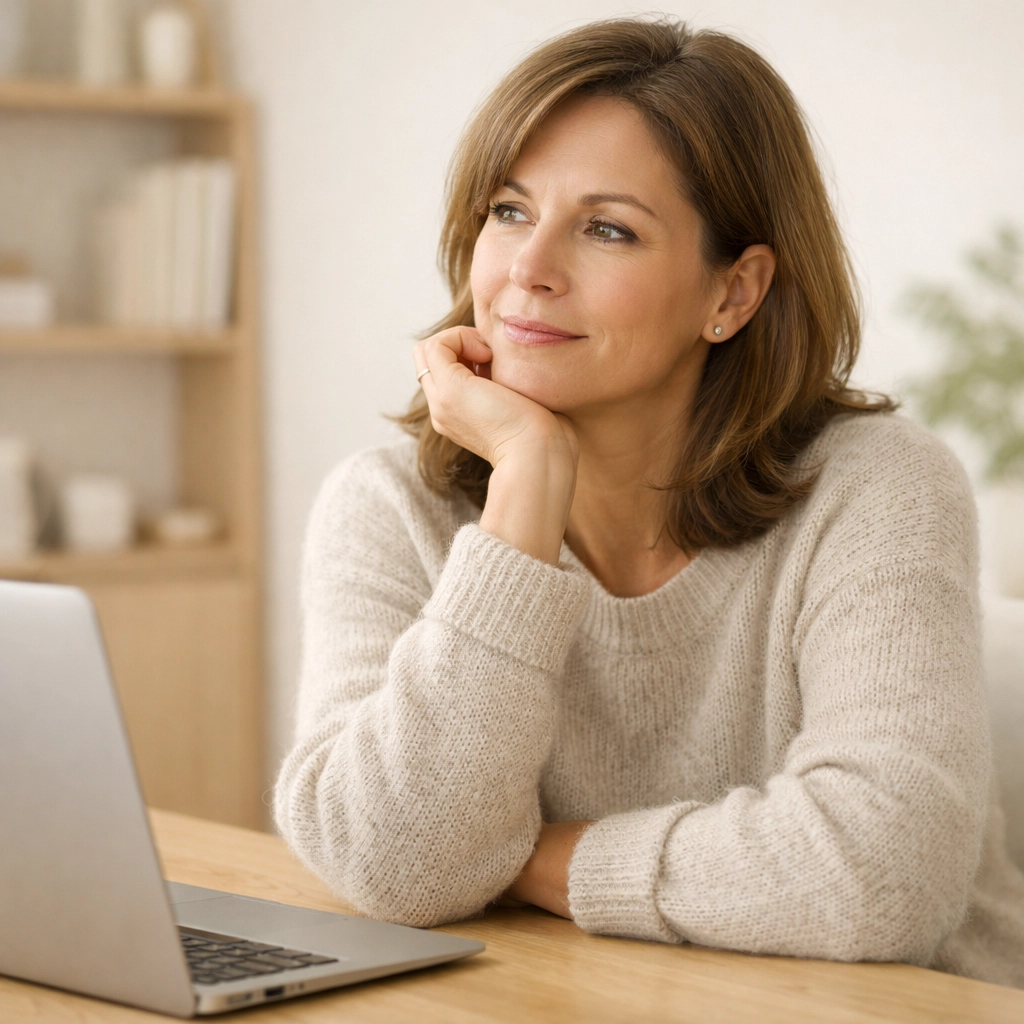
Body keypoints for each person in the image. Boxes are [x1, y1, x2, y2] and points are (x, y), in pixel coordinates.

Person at [275, 17, 1024, 987]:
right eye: (509, 210)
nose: (527, 270)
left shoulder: (877, 487)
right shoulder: (387, 507)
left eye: (607, 229)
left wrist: (525, 859)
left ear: (734, 294)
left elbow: (884, 874)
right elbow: (389, 860)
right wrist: (525, 488)